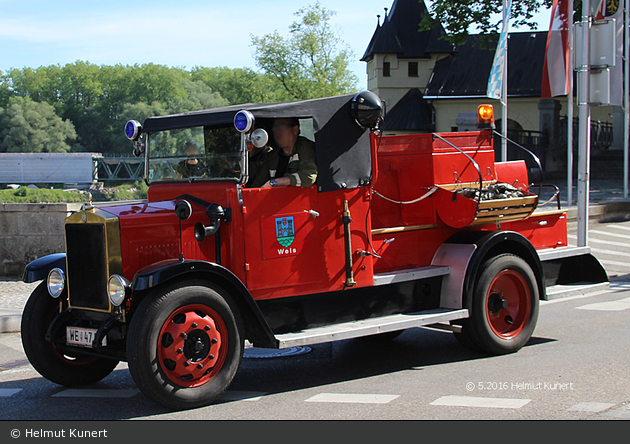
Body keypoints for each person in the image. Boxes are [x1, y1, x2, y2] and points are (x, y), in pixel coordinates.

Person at [249, 118, 317, 188]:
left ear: (295, 130)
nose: (277, 132)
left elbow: (308, 177)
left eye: (282, 127)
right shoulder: (272, 156)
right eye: (275, 128)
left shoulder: (305, 148)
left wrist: (275, 182)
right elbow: (258, 183)